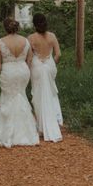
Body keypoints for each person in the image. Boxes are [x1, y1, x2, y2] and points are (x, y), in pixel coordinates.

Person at [0, 17, 39, 148]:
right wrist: (24, 70)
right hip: (23, 71)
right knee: (21, 96)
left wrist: (4, 71)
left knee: (8, 98)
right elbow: (30, 59)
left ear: (5, 28)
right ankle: (26, 132)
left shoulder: (1, 41)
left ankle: (7, 134)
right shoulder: (25, 40)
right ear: (17, 27)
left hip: (8, 70)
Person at [28, 13, 63, 142]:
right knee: (51, 94)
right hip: (49, 66)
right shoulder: (52, 36)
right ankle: (54, 120)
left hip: (37, 67)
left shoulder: (31, 38)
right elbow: (58, 54)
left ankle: (41, 127)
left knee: (38, 96)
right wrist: (51, 63)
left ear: (34, 24)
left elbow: (30, 57)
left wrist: (29, 67)